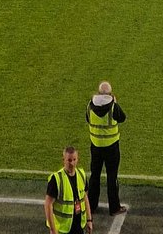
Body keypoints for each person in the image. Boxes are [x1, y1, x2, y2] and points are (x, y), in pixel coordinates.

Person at [86, 81, 127, 216]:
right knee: (112, 177)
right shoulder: (113, 107)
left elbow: (88, 119)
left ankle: (91, 205)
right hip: (111, 147)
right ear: (110, 94)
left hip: (96, 146)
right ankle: (114, 207)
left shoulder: (90, 105)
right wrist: (115, 102)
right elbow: (122, 118)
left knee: (94, 176)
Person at [45, 145, 92, 234]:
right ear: (64, 160)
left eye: (74, 160)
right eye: (69, 160)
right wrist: (53, 230)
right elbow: (48, 205)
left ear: (78, 159)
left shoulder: (81, 175)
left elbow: (85, 197)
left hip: (78, 226)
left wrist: (89, 220)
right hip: (62, 230)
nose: (72, 163)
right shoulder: (56, 179)